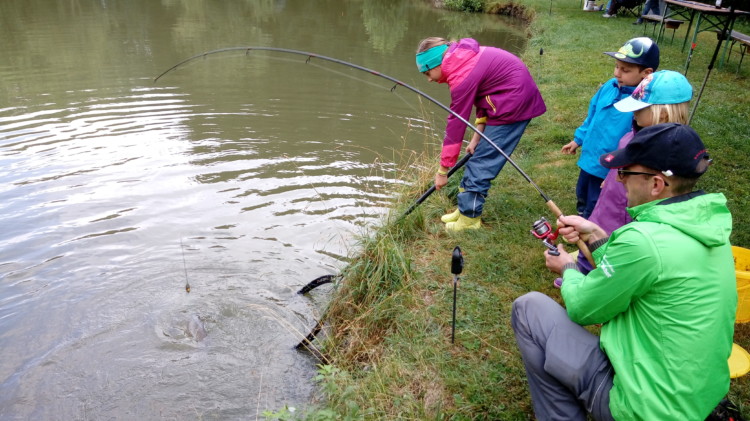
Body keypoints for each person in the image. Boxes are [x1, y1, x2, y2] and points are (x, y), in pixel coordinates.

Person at [512, 123, 736, 420]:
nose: (619, 180)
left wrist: (567, 267)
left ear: (656, 184)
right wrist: (595, 235)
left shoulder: (643, 241)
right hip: (694, 400)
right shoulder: (707, 229)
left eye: (625, 173)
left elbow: (583, 308)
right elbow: (634, 271)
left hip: (645, 410)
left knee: (528, 309)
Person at [560, 70, 692, 281]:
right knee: (596, 229)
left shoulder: (666, 150)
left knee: (613, 243)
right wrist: (609, 177)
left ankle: (592, 279)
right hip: (609, 198)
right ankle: (583, 266)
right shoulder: (635, 132)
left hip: (626, 209)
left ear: (662, 114)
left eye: (639, 108)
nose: (633, 112)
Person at [415, 37, 546, 231]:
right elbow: (484, 97)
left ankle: (470, 219)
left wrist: (443, 171)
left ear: (437, 63)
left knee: (481, 163)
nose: (429, 79)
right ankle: (463, 208)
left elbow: (456, 124)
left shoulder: (461, 73)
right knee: (476, 155)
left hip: (513, 105)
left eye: (428, 72)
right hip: (503, 99)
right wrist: (477, 137)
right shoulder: (461, 59)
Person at [561, 37, 658, 219]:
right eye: (616, 66)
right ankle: (581, 212)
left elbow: (636, 141)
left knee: (597, 200)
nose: (617, 73)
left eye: (625, 70)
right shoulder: (608, 86)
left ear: (646, 73)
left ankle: (589, 224)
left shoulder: (641, 103)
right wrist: (578, 139)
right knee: (582, 191)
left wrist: (618, 172)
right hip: (590, 156)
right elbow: (592, 115)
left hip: (610, 165)